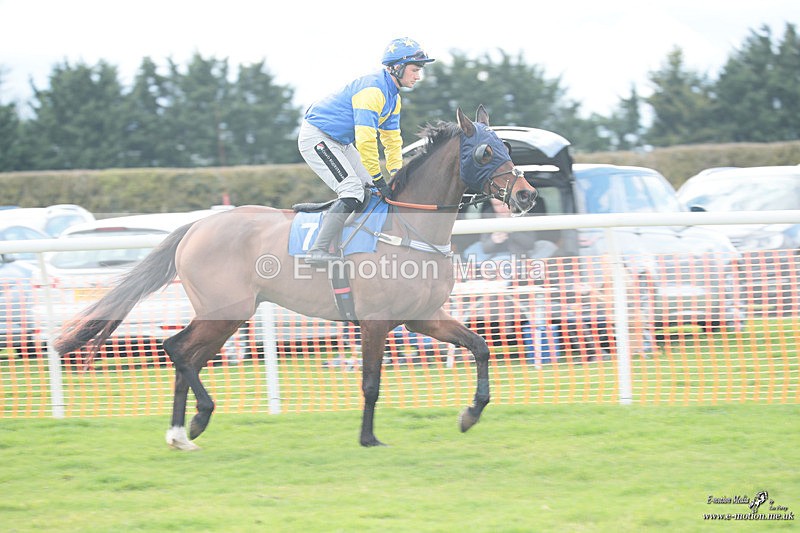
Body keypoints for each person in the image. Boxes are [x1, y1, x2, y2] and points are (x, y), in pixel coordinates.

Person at [297, 37, 435, 264]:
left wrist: (396, 174)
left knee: (371, 190)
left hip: (340, 141)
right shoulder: (373, 92)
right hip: (317, 137)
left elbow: (392, 141)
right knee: (352, 190)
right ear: (397, 67)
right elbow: (366, 141)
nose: (418, 76)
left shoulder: (393, 98)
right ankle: (318, 249)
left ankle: (350, 240)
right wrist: (380, 177)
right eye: (414, 69)